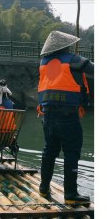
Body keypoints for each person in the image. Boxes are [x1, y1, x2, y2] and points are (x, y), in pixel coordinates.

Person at [37, 30, 94, 204]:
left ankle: (44, 188)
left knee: (50, 150)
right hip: (67, 115)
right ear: (66, 46)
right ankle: (70, 194)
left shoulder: (44, 62)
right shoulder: (73, 60)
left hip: (48, 115)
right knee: (72, 151)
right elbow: (93, 69)